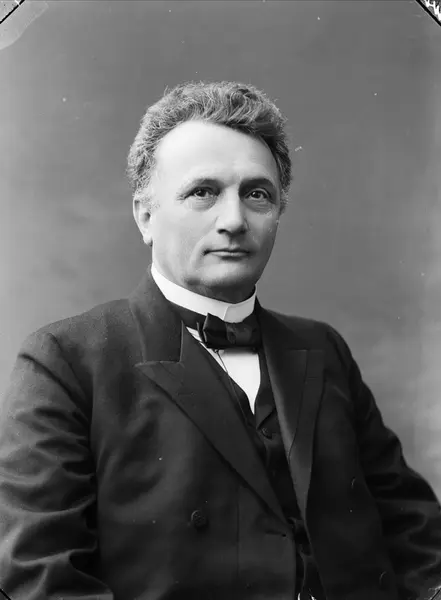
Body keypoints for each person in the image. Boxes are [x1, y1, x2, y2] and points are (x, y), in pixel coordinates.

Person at [0, 81, 440, 600]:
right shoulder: (65, 362)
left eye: (257, 194)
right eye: (202, 192)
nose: (234, 221)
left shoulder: (324, 350)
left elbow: (414, 532)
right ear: (145, 215)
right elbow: (43, 576)